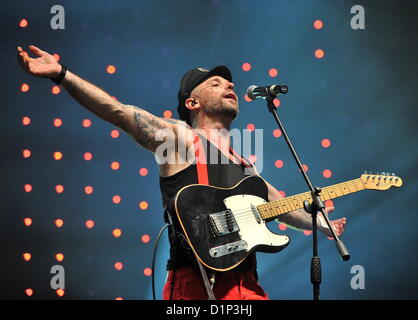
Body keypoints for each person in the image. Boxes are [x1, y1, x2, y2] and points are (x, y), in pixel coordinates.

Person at [17, 45, 346, 300]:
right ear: (192, 103)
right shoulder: (180, 139)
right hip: (197, 285)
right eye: (215, 84)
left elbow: (280, 206)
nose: (229, 85)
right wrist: (60, 73)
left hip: (247, 284)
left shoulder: (245, 165)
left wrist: (320, 224)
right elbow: (118, 112)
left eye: (229, 83)